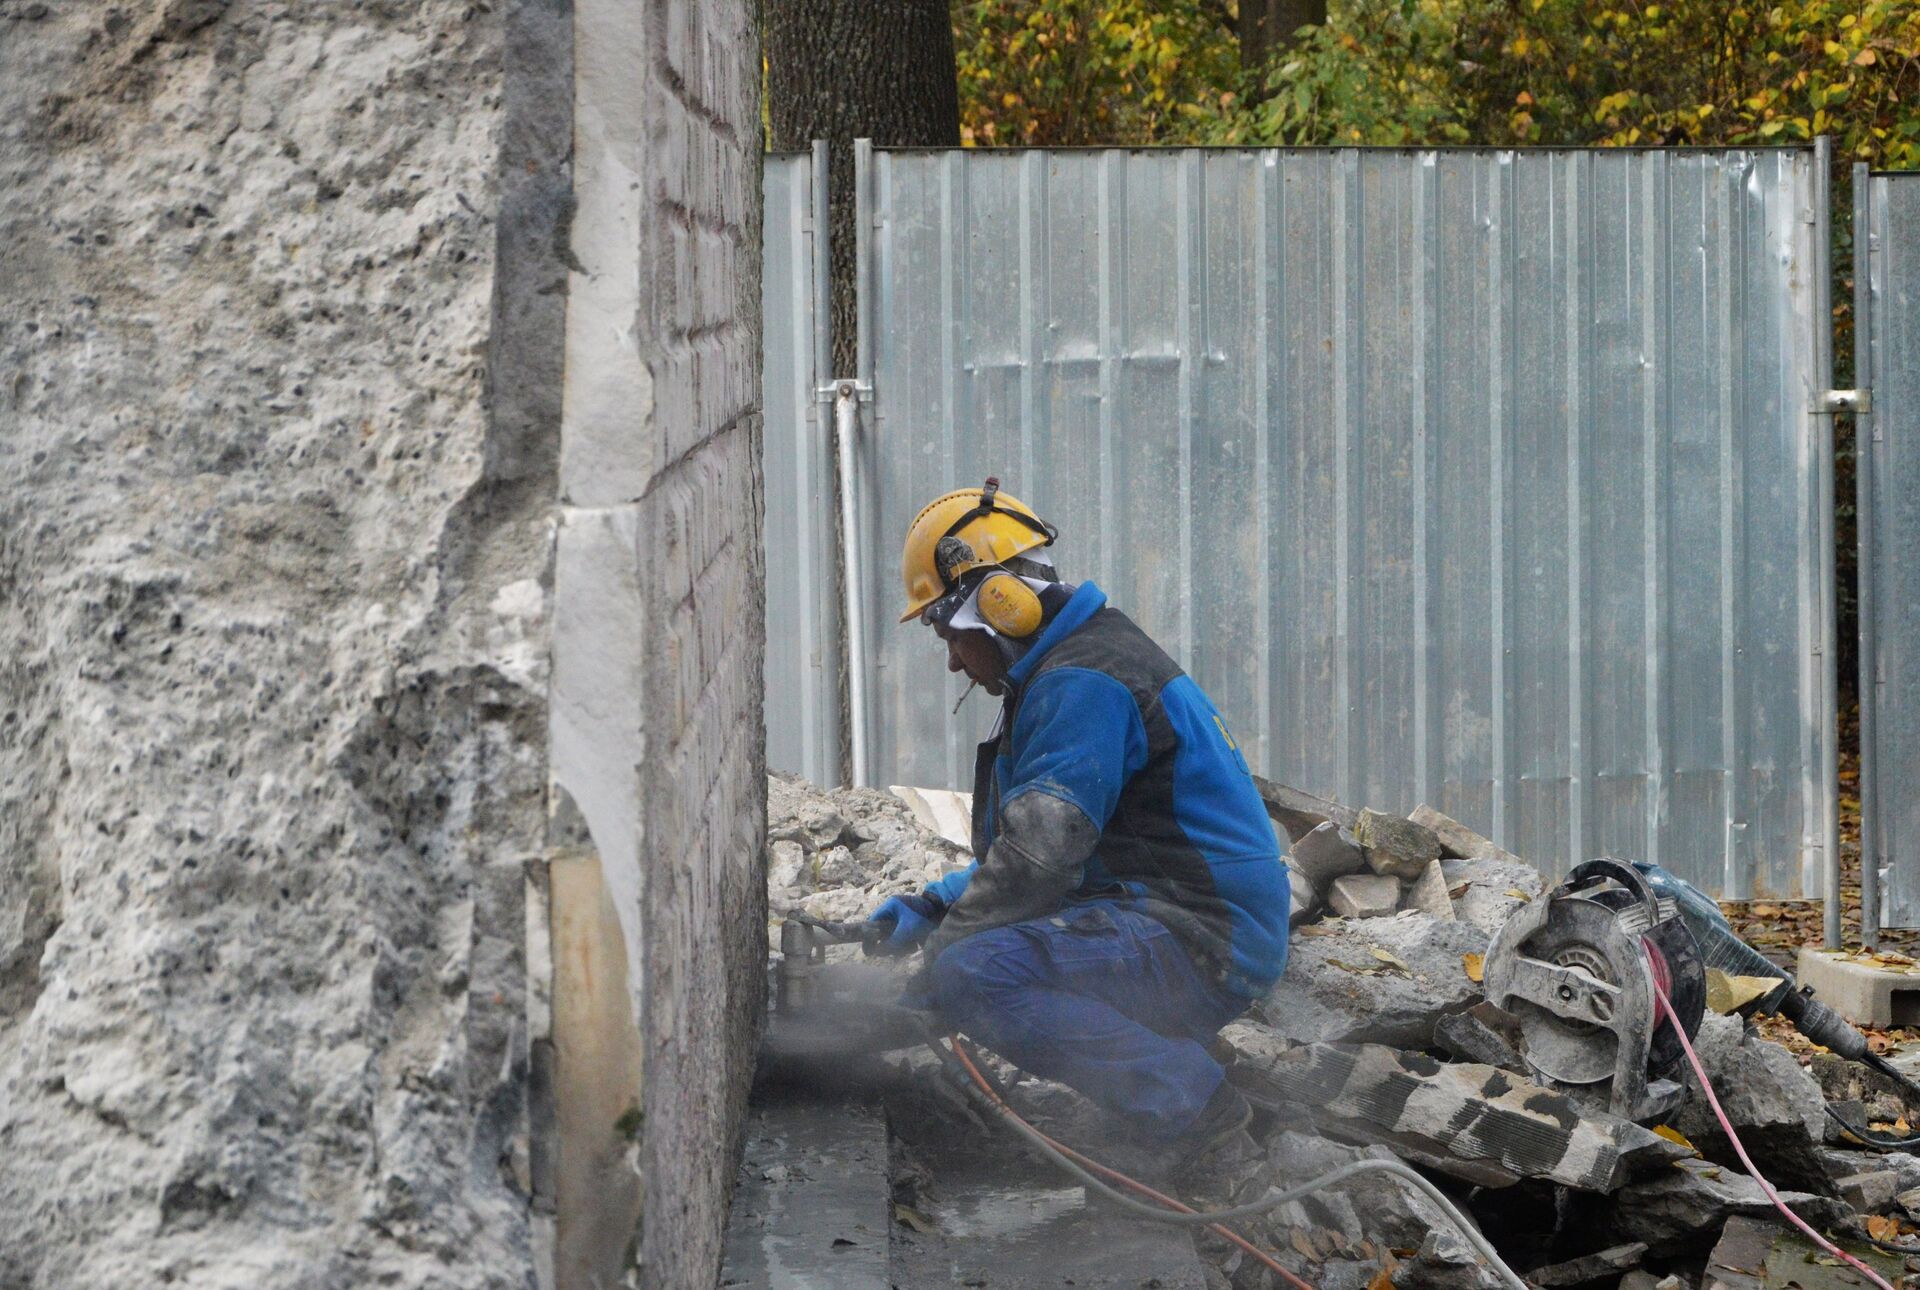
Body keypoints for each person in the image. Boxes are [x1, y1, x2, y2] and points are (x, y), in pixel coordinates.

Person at [867, 478, 1290, 1171]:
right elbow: (1058, 847)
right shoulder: (1082, 660)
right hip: (1186, 917)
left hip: (1204, 941)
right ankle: (1167, 1074)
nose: (950, 659)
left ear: (997, 607)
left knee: (974, 973)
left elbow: (1042, 857)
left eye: (948, 632)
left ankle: (1197, 1111)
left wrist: (944, 957)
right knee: (972, 956)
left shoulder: (1080, 681)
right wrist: (933, 903)